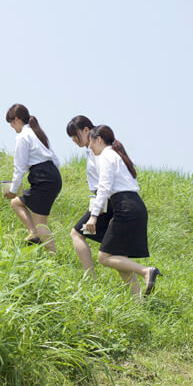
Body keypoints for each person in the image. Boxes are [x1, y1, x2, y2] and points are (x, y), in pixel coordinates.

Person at [83, 125, 161, 296]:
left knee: (104, 257)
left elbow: (103, 187)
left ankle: (146, 271)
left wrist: (93, 217)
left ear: (99, 140)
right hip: (134, 206)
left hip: (126, 207)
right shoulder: (116, 155)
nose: (90, 147)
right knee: (118, 257)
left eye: (91, 143)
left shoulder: (106, 155)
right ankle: (138, 300)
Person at [4, 104, 63, 252]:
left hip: (42, 178)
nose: (12, 127)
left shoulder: (22, 137)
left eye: (11, 123)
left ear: (17, 120)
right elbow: (55, 160)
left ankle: (53, 258)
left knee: (40, 222)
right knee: (17, 203)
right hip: (53, 176)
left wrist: (13, 189)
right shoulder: (38, 133)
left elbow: (19, 168)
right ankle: (34, 234)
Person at [66, 115, 110, 277]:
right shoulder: (96, 148)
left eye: (74, 135)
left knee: (76, 233)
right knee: (115, 252)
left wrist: (95, 213)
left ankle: (90, 278)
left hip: (104, 199)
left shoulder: (97, 150)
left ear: (86, 130)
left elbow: (104, 182)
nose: (73, 140)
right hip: (104, 199)